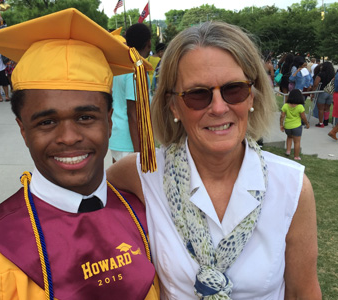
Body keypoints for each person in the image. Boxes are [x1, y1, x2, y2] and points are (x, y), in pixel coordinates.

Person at [0, 9, 159, 300]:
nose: (69, 137)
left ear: (109, 120)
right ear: (23, 130)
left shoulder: (145, 215)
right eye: (46, 122)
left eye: (86, 117)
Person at [107, 21, 322, 299]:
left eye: (234, 89)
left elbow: (302, 292)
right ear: (173, 105)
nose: (219, 108)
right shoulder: (141, 174)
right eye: (198, 94)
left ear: (252, 96)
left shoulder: (292, 187)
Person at [109, 23, 151, 162]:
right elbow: (133, 112)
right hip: (130, 143)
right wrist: (139, 154)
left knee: (118, 183)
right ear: (148, 44)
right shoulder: (137, 68)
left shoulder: (121, 65)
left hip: (117, 138)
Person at [280, 89, 310, 160]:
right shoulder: (300, 107)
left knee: (289, 137)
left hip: (287, 126)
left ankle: (288, 150)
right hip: (297, 127)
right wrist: (307, 124)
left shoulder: (285, 106)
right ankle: (296, 156)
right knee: (297, 142)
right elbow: (303, 117)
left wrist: (281, 124)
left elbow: (282, 116)